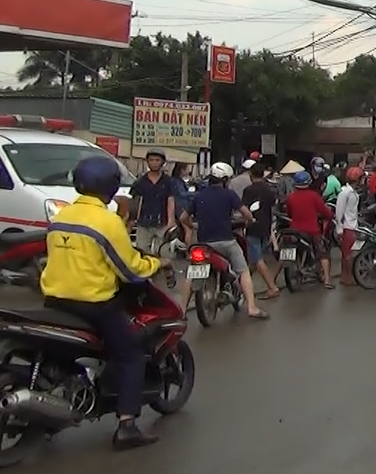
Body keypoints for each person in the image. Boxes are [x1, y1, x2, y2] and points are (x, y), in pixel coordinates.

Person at [42, 156, 166, 450]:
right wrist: (156, 263)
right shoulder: (106, 221)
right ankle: (127, 425)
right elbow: (129, 269)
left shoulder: (61, 215)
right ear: (110, 186)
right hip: (93, 304)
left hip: (54, 301)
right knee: (131, 355)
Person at [181, 162, 269, 320]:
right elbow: (247, 214)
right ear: (225, 179)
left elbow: (183, 218)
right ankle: (252, 307)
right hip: (226, 241)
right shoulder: (229, 195)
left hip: (203, 243)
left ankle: (181, 311)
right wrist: (249, 221)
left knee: (191, 274)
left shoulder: (199, 195)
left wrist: (193, 226)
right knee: (243, 271)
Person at [283, 170, 335, 288]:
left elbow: (289, 213)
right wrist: (330, 215)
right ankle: (327, 280)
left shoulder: (290, 197)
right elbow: (325, 211)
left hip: (294, 230)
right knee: (323, 253)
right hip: (312, 231)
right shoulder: (313, 196)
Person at [241, 162, 281, 300]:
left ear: (251, 175)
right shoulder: (269, 191)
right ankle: (242, 287)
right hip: (266, 227)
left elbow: (244, 209)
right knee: (253, 259)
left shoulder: (248, 190)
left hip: (253, 227)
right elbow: (272, 207)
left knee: (257, 259)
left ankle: (272, 287)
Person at [128, 149, 176, 258]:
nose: (154, 163)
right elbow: (135, 202)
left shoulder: (168, 181)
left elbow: (170, 200)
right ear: (147, 162)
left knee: (164, 254)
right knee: (142, 253)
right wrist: (132, 220)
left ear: (162, 162)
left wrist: (171, 221)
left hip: (162, 222)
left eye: (157, 160)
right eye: (151, 160)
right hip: (144, 223)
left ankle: (165, 274)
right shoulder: (140, 182)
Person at [334, 166, 362, 286]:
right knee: (348, 255)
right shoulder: (345, 193)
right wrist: (339, 229)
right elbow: (339, 212)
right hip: (347, 227)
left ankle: (345, 276)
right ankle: (347, 277)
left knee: (347, 254)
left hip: (352, 226)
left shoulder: (352, 192)